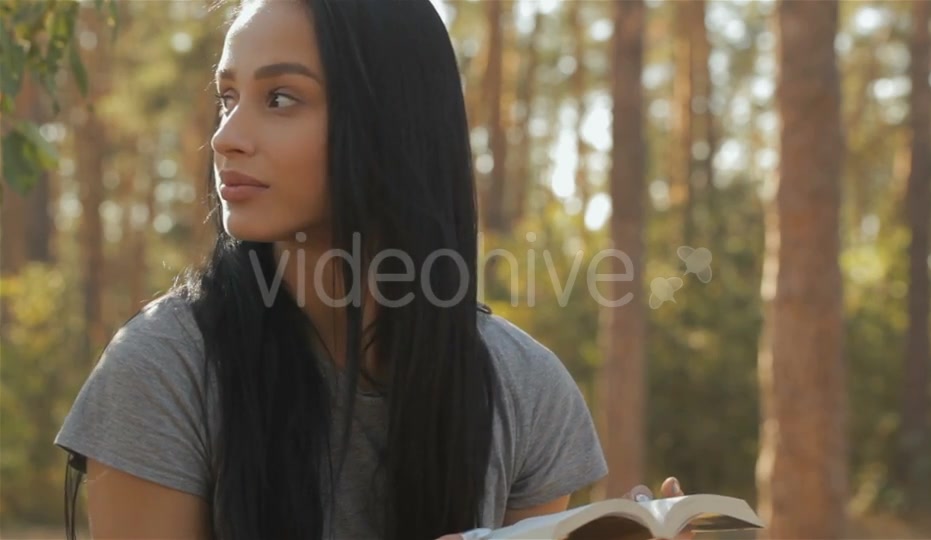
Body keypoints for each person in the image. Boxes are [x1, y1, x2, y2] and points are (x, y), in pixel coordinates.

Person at [54, 1, 689, 538]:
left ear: (392, 125)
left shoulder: (525, 390)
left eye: (279, 98)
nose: (225, 136)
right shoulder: (162, 369)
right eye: (227, 97)